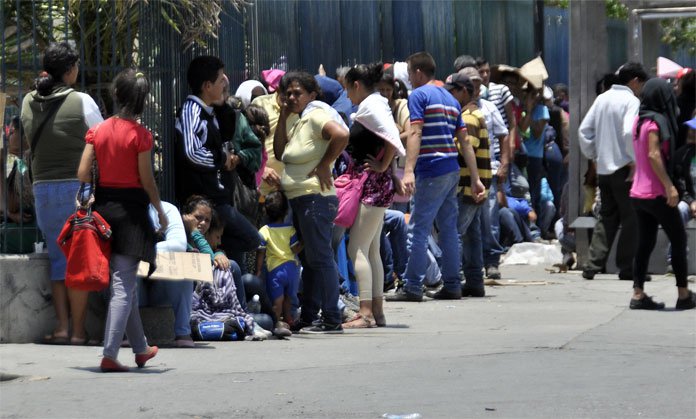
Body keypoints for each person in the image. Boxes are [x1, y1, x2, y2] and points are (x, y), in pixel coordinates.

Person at [77, 68, 162, 372]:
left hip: (103, 211)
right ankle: (110, 354)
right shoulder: (141, 136)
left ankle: (140, 349)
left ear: (115, 95)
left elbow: (83, 173)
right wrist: (161, 212)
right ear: (142, 101)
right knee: (124, 285)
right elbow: (148, 181)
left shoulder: (97, 131)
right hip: (132, 216)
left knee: (123, 285)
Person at [20, 42, 103, 345]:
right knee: (77, 259)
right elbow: (102, 137)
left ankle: (62, 327)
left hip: (42, 188)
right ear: (69, 70)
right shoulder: (81, 101)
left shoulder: (28, 101)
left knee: (58, 258)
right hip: (75, 189)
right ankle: (79, 332)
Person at [386, 51, 484, 302]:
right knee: (449, 230)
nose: (408, 78)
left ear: (418, 73)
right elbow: (464, 142)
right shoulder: (451, 100)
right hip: (451, 169)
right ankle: (452, 284)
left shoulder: (419, 95)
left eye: (409, 73)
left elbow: (415, 132)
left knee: (416, 230)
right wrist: (475, 179)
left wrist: (408, 170)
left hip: (430, 169)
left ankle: (412, 286)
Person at [274, 71, 349, 334]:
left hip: (315, 198)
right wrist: (283, 116)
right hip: (300, 200)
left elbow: (341, 134)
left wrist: (325, 164)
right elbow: (280, 152)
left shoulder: (317, 114)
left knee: (321, 258)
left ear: (312, 95)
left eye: (297, 93)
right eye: (288, 93)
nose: (292, 97)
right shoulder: (298, 121)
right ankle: (309, 314)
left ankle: (331, 317)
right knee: (311, 259)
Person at [174, 56, 261, 269]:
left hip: (220, 198)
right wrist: (221, 160)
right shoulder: (192, 111)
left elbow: (228, 132)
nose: (226, 82)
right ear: (207, 86)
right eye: (221, 79)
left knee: (236, 257)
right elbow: (192, 152)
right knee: (252, 239)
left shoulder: (211, 110)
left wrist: (223, 105)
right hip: (206, 201)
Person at [342, 63, 405, 328]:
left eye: (348, 89)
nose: (347, 96)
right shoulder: (378, 103)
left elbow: (393, 139)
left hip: (371, 184)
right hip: (377, 184)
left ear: (357, 85)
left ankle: (366, 312)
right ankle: (376, 311)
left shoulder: (370, 106)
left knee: (356, 248)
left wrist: (383, 165)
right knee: (372, 249)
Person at [628, 78, 695, 310]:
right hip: (657, 192)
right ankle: (684, 294)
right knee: (678, 239)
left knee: (645, 242)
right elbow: (654, 155)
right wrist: (669, 186)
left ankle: (638, 294)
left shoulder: (640, 120)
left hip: (638, 192)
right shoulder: (657, 122)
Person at [578, 62, 648, 281]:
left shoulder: (602, 98)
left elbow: (584, 131)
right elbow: (629, 131)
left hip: (605, 170)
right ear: (635, 81)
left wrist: (595, 156)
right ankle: (627, 267)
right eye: (641, 84)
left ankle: (592, 264)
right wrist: (633, 160)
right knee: (632, 218)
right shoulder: (631, 101)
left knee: (606, 217)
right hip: (624, 170)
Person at [443, 71, 491, 298]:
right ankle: (474, 281)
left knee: (455, 233)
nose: (449, 96)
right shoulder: (470, 114)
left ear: (463, 91)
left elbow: (466, 148)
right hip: (475, 184)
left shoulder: (469, 117)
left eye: (452, 91)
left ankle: (453, 280)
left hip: (469, 186)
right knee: (472, 234)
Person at [139, 201, 193, 348]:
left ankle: (183, 332)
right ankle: (127, 331)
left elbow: (178, 245)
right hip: (133, 284)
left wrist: (144, 250)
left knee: (183, 265)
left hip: (160, 286)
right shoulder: (119, 209)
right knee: (126, 264)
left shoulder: (166, 209)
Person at [256, 191, 300, 337]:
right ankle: (289, 319)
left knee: (277, 301)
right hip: (292, 269)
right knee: (289, 297)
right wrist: (306, 241)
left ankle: (275, 323)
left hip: (275, 271)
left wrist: (257, 271)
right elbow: (295, 248)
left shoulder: (264, 231)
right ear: (286, 211)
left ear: (266, 211)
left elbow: (261, 253)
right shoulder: (291, 229)